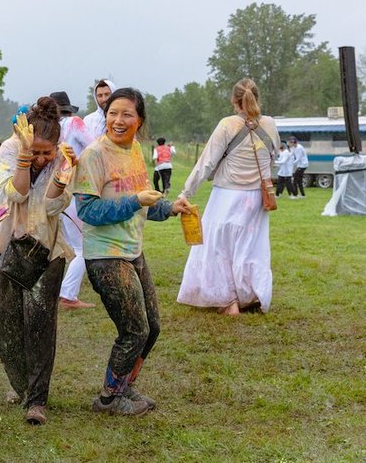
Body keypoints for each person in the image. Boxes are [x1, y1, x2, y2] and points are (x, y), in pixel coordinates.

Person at [72, 88, 188, 416]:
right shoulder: (95, 155)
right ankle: (109, 397)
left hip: (133, 251)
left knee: (152, 327)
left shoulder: (136, 149)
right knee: (134, 329)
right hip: (105, 256)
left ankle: (124, 386)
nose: (118, 120)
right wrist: (135, 201)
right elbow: (88, 211)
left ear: (140, 120)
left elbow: (142, 202)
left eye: (127, 114)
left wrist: (168, 208)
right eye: (112, 113)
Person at [0, 96, 76, 425]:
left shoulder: (63, 159)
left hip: (46, 250)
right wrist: (24, 157)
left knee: (38, 323)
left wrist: (62, 174)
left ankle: (37, 400)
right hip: (7, 244)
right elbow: (16, 194)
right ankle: (21, 386)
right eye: (35, 150)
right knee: (2, 320)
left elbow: (52, 207)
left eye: (44, 152)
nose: (40, 158)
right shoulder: (10, 149)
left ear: (56, 145)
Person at [176, 78, 280, 315]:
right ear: (257, 97)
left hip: (226, 196)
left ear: (234, 100)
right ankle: (250, 295)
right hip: (256, 198)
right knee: (251, 248)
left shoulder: (227, 124)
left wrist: (186, 192)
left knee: (218, 248)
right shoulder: (271, 124)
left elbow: (206, 162)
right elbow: (272, 155)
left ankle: (227, 301)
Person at [49, 91, 96, 309]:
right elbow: (94, 148)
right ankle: (68, 294)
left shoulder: (48, 130)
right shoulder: (74, 123)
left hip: (53, 192)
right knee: (82, 249)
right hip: (74, 191)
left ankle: (59, 289)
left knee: (65, 244)